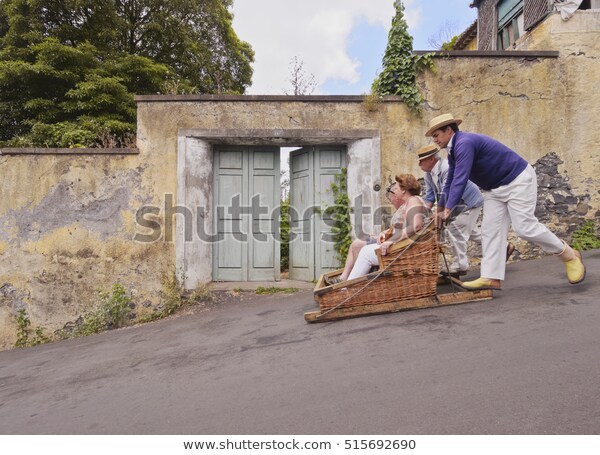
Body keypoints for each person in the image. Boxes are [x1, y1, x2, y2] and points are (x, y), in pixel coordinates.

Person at [425, 113, 585, 290]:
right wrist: (440, 208)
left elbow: (460, 179)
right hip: (493, 189)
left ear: (448, 131)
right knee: (490, 230)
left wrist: (448, 209)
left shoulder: (464, 142)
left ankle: (570, 256)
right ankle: (491, 277)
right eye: (433, 137)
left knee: (524, 227)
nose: (435, 140)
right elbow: (450, 181)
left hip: (517, 180)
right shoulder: (453, 150)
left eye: (436, 135)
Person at [417, 143, 484, 276]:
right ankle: (503, 247)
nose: (419, 164)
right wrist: (421, 214)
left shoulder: (446, 168)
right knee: (471, 232)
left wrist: (439, 213)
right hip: (456, 205)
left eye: (421, 161)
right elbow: (430, 196)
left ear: (431, 159)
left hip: (468, 202)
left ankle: (461, 265)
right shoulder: (429, 175)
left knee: (456, 228)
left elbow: (447, 193)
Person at [346, 174, 428, 281]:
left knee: (366, 252)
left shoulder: (414, 200)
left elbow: (416, 225)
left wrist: (392, 240)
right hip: (404, 246)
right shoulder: (410, 202)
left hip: (407, 249)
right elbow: (401, 226)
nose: (395, 190)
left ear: (404, 190)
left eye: (397, 187)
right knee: (365, 250)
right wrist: (386, 233)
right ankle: (349, 284)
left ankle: (348, 288)